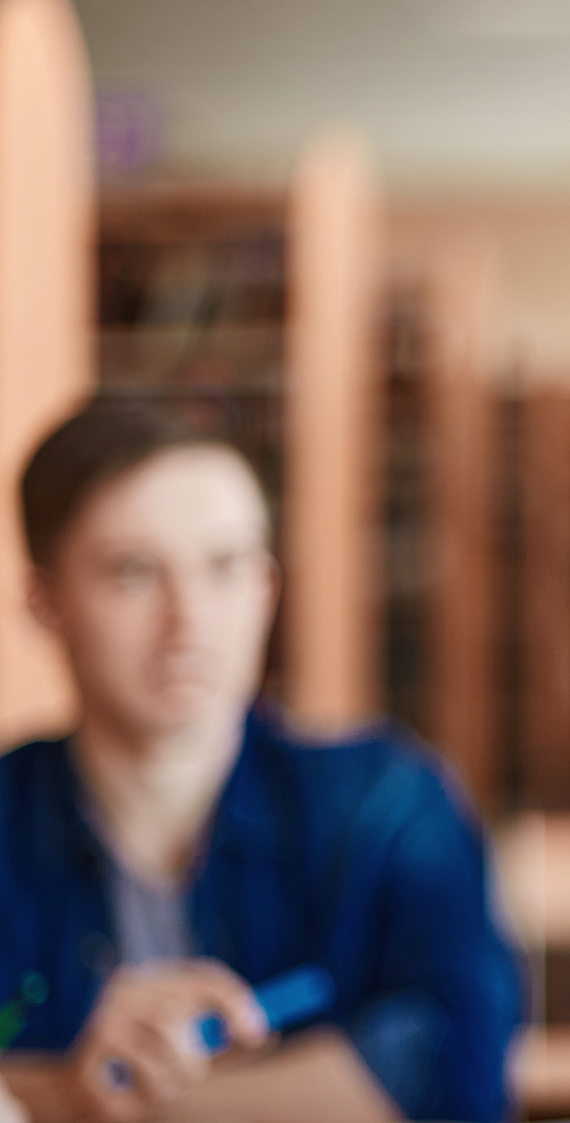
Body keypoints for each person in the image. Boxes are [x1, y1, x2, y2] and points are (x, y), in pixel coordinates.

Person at [0, 402, 522, 1122]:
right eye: (133, 572)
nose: (189, 620)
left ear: (267, 587)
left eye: (226, 566)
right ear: (44, 600)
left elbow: (451, 1070)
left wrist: (76, 1106)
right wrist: (69, 1090)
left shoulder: (390, 805)